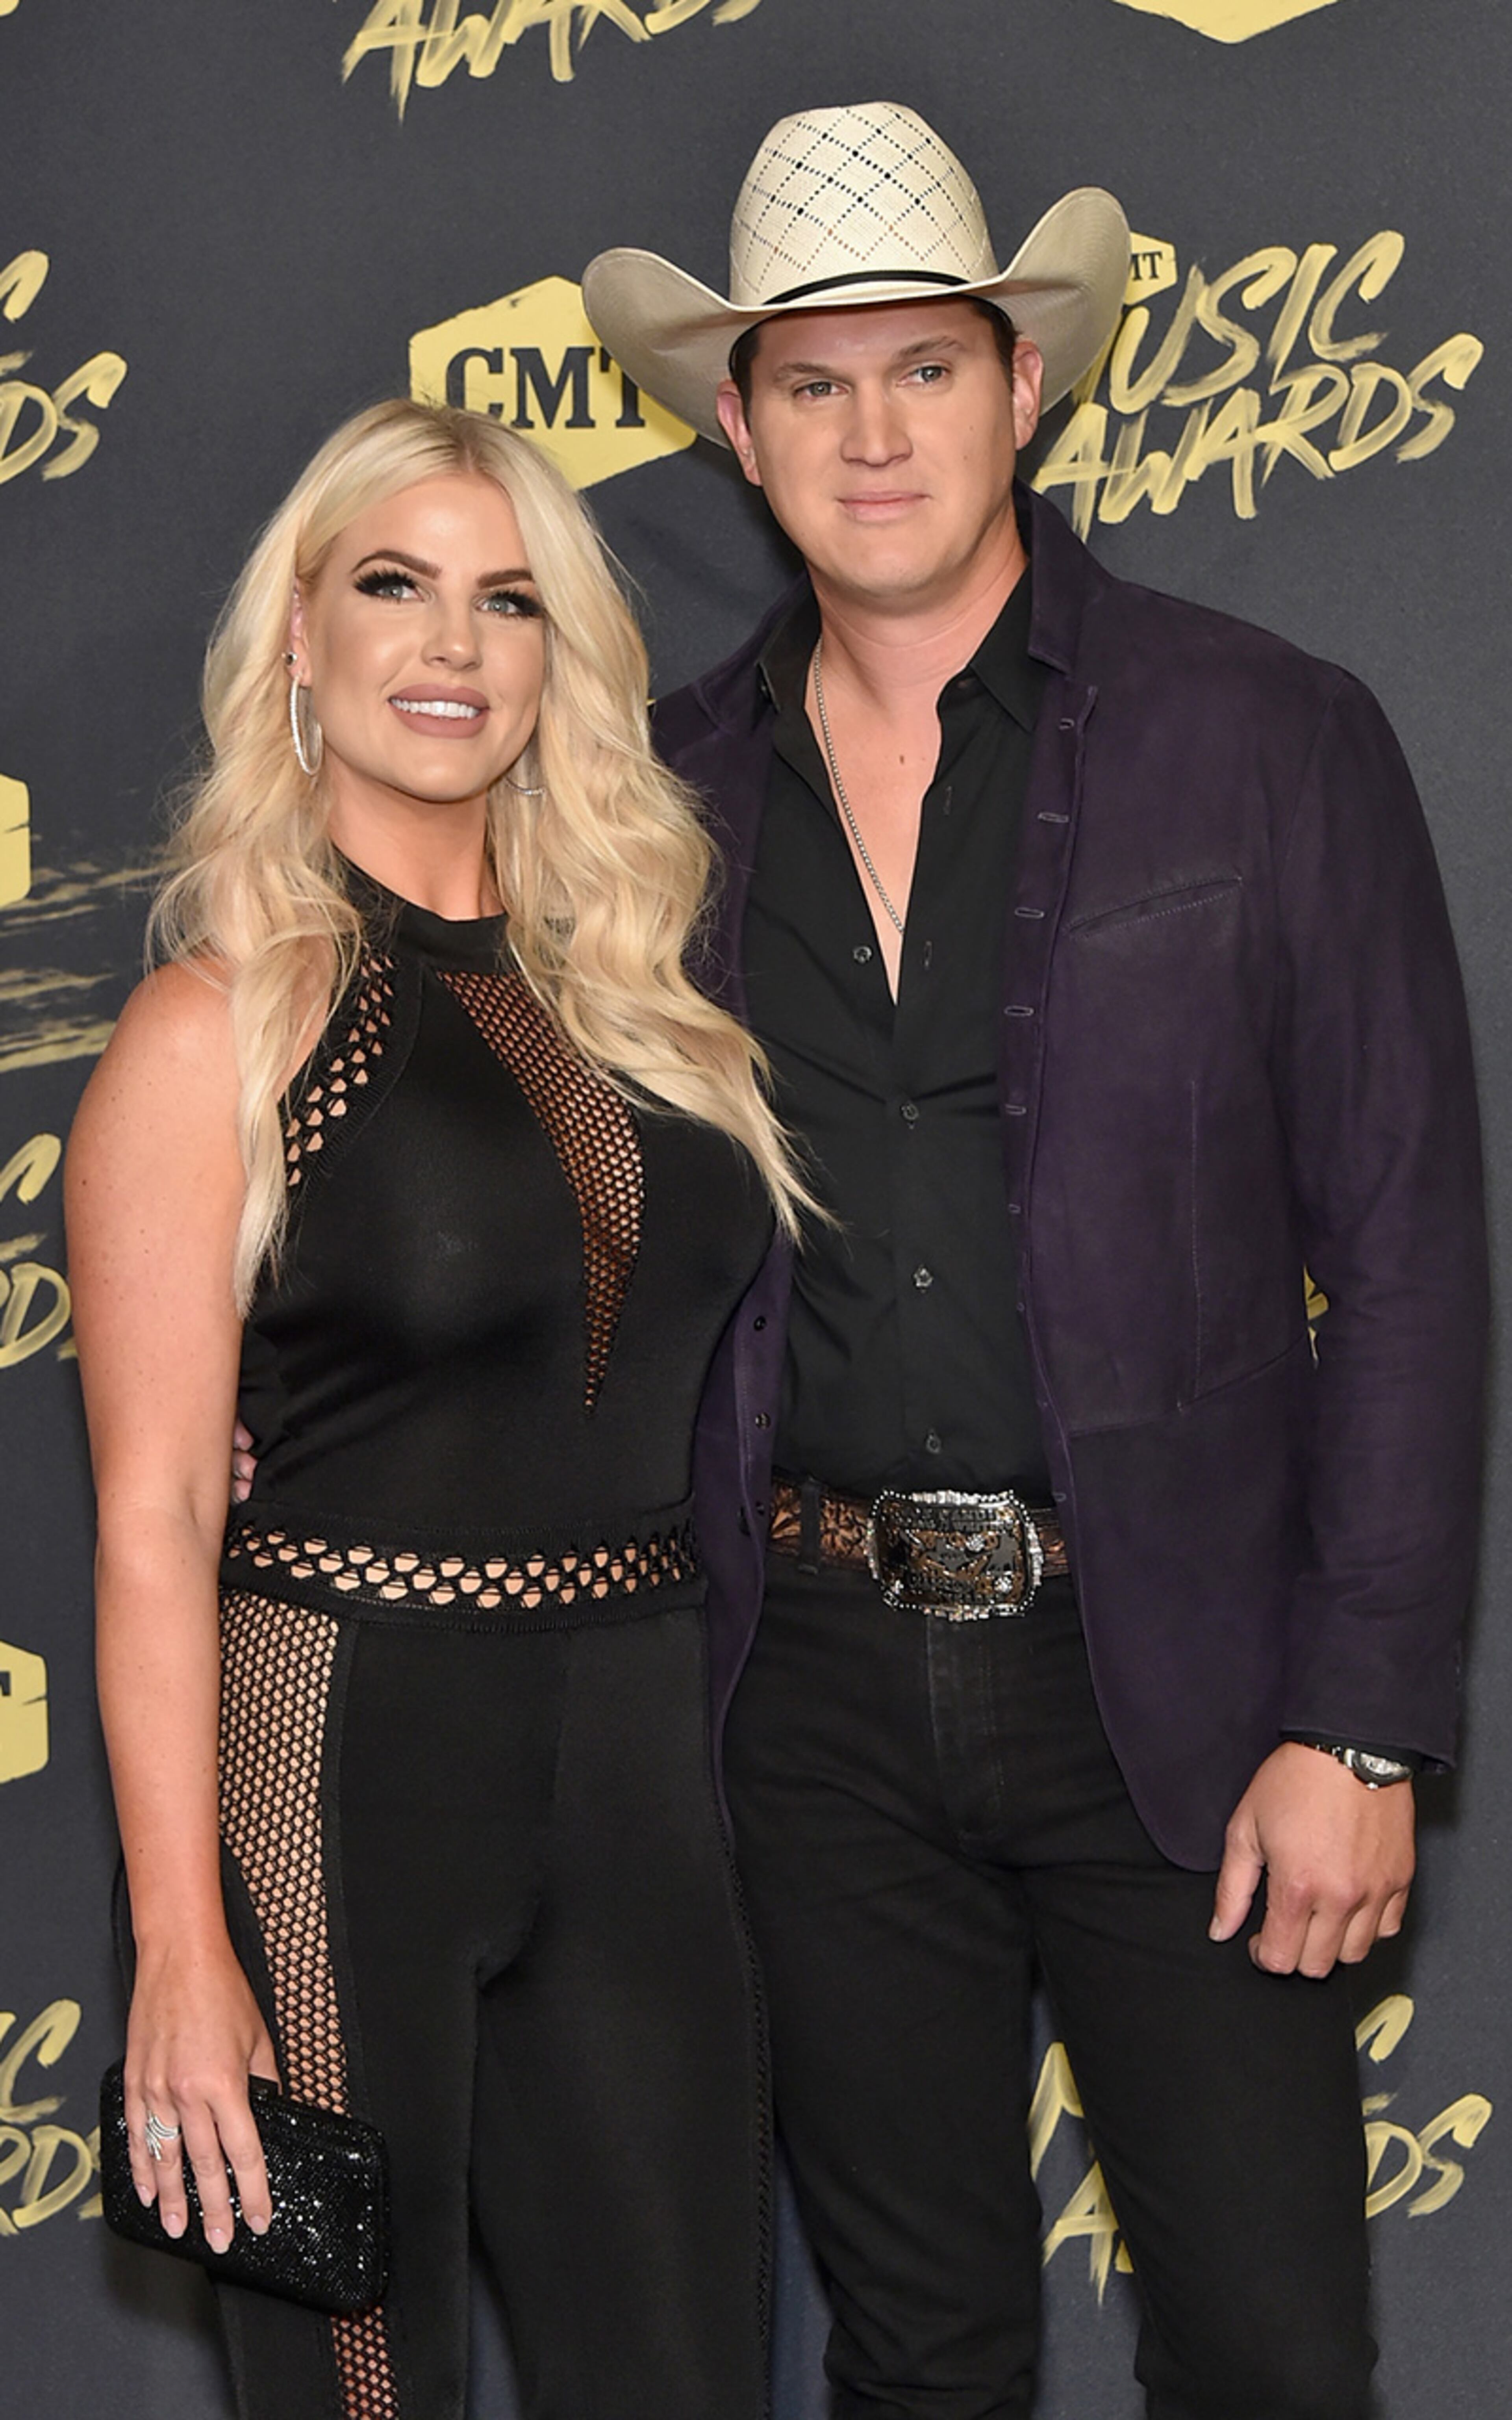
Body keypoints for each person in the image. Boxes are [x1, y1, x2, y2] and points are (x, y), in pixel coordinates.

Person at [582, 101, 1489, 2420]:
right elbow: (541, 1189)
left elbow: (1404, 1250)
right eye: (812, 379)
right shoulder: (654, 806)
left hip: (1172, 1677)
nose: (873, 431)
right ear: (734, 426)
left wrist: (1363, 1719)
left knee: (1277, 2353)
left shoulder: (1271, 741)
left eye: (925, 369)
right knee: (917, 2357)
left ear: (1025, 386)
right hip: (801, 1700)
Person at [65, 396, 809, 2420]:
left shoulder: (642, 1005)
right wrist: (178, 1945)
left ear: (558, 657)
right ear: (298, 638)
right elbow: (152, 1520)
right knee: (357, 2401)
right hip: (336, 1765)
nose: (451, 646)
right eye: (393, 585)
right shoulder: (219, 1027)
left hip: (646, 1769)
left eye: (507, 601)